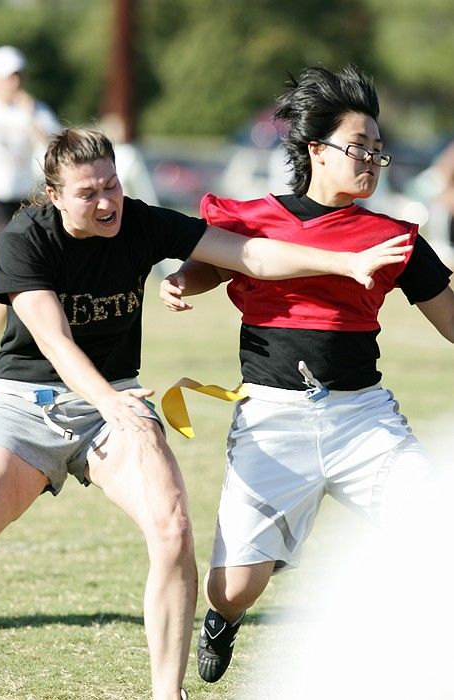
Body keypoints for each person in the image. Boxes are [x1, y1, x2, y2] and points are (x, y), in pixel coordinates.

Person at [0, 127, 409, 700]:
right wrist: (110, 404)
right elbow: (55, 340)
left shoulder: (139, 220)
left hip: (116, 400)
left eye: (111, 184)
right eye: (88, 193)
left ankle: (169, 693)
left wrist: (343, 262)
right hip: (27, 402)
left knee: (173, 530)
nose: (107, 201)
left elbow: (249, 253)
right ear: (55, 195)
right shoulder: (25, 236)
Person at [159, 64, 454, 685]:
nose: (372, 161)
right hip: (273, 418)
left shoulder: (394, 235)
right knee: (232, 588)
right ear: (317, 150)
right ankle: (223, 621)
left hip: (362, 418)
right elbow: (223, 259)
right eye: (358, 148)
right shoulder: (255, 216)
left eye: (379, 151)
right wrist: (187, 277)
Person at [0, 44, 60, 361]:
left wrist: (32, 117)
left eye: (17, 75)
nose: (13, 82)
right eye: (7, 76)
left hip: (25, 201)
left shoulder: (37, 110)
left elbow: (56, 152)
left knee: (23, 264)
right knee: (16, 262)